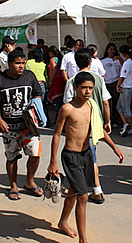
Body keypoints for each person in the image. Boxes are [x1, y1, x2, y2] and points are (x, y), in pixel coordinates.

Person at [49, 72, 123, 241]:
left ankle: (63, 222)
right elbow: (56, 135)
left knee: (74, 191)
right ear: (75, 88)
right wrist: (53, 161)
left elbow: (99, 129)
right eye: (84, 88)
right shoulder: (67, 108)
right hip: (71, 156)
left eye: (90, 88)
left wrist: (114, 148)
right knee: (83, 196)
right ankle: (83, 239)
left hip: (86, 155)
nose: (88, 91)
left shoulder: (91, 106)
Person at [64, 48, 122, 204]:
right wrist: (107, 120)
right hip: (96, 125)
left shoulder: (72, 81)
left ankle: (95, 189)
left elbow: (67, 104)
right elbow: (105, 102)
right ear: (91, 62)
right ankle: (92, 188)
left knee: (88, 158)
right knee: (90, 157)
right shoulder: (99, 80)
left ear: (76, 63)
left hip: (80, 129)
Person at [0, 49, 43, 200]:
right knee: (12, 157)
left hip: (29, 126)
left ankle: (30, 181)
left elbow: (37, 94)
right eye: (17, 63)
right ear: (9, 64)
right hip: (9, 127)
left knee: (35, 154)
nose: (21, 66)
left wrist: (35, 109)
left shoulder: (29, 76)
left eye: (23, 63)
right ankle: (13, 186)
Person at [117, 45, 132, 136]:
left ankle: (130, 128)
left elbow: (123, 76)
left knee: (126, 108)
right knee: (119, 106)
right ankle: (126, 124)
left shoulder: (128, 63)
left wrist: (118, 85)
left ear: (123, 54)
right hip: (131, 86)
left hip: (127, 88)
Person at [101, 43, 123, 127]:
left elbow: (123, 68)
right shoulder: (102, 61)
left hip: (116, 83)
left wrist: (119, 58)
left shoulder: (118, 60)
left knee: (116, 102)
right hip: (107, 83)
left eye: (114, 49)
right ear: (107, 50)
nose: (112, 51)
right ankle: (108, 120)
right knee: (108, 103)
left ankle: (116, 120)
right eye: (111, 49)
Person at [47, 46, 65, 116]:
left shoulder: (52, 60)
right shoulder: (60, 59)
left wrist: (50, 81)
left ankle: (58, 116)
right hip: (61, 78)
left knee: (57, 99)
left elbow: (54, 70)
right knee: (61, 98)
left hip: (56, 79)